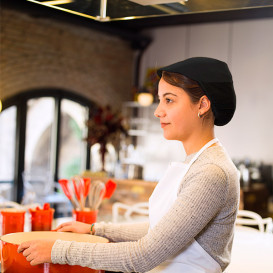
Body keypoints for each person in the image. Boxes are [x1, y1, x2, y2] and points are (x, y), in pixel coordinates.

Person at [18, 57, 240, 273]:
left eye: (169, 100)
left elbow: (142, 256)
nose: (158, 111)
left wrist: (58, 250)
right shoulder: (197, 163)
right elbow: (160, 231)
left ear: (202, 105)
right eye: (160, 99)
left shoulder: (211, 172)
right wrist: (96, 229)